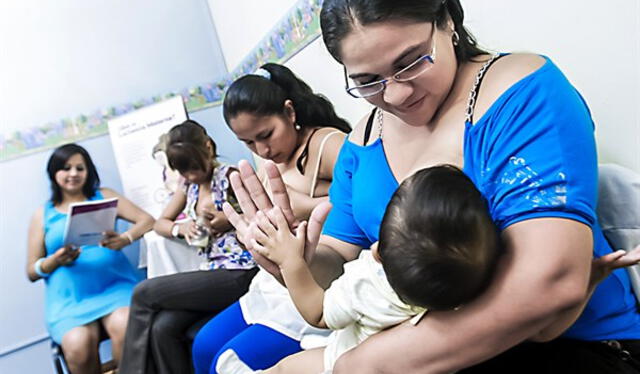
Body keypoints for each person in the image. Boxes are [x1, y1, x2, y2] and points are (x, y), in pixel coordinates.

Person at [222, 0, 640, 373]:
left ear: (446, 20)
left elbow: (550, 281)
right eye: (369, 80)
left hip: (566, 345)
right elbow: (335, 259)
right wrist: (288, 256)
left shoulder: (517, 91)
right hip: (406, 338)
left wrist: (373, 362)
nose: (398, 94)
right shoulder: (363, 140)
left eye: (410, 62)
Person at [247, 165, 500, 374]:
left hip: (343, 360)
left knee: (284, 368)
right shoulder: (467, 290)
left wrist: (290, 262)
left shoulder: (368, 285)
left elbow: (317, 313)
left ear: (377, 251)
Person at [191, 63, 349, 374]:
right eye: (249, 143)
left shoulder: (327, 144)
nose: (262, 149)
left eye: (266, 135)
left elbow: (364, 203)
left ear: (289, 112)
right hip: (274, 283)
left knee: (228, 362)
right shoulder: (269, 163)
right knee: (204, 345)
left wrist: (304, 205)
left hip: (318, 278)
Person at [119, 120, 258, 374]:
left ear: (207, 147)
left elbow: (263, 217)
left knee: (143, 293)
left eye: (193, 168)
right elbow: (160, 223)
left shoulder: (229, 177)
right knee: (163, 328)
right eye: (184, 172)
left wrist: (228, 220)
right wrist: (180, 229)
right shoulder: (189, 186)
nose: (191, 176)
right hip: (215, 270)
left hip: (242, 270)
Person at [26, 143, 154, 374]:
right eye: (66, 168)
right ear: (54, 173)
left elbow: (147, 220)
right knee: (78, 346)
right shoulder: (42, 214)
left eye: (80, 168)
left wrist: (126, 238)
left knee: (127, 327)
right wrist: (54, 261)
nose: (73, 174)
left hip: (115, 289)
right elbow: (32, 271)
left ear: (88, 172)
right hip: (69, 301)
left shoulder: (104, 196)